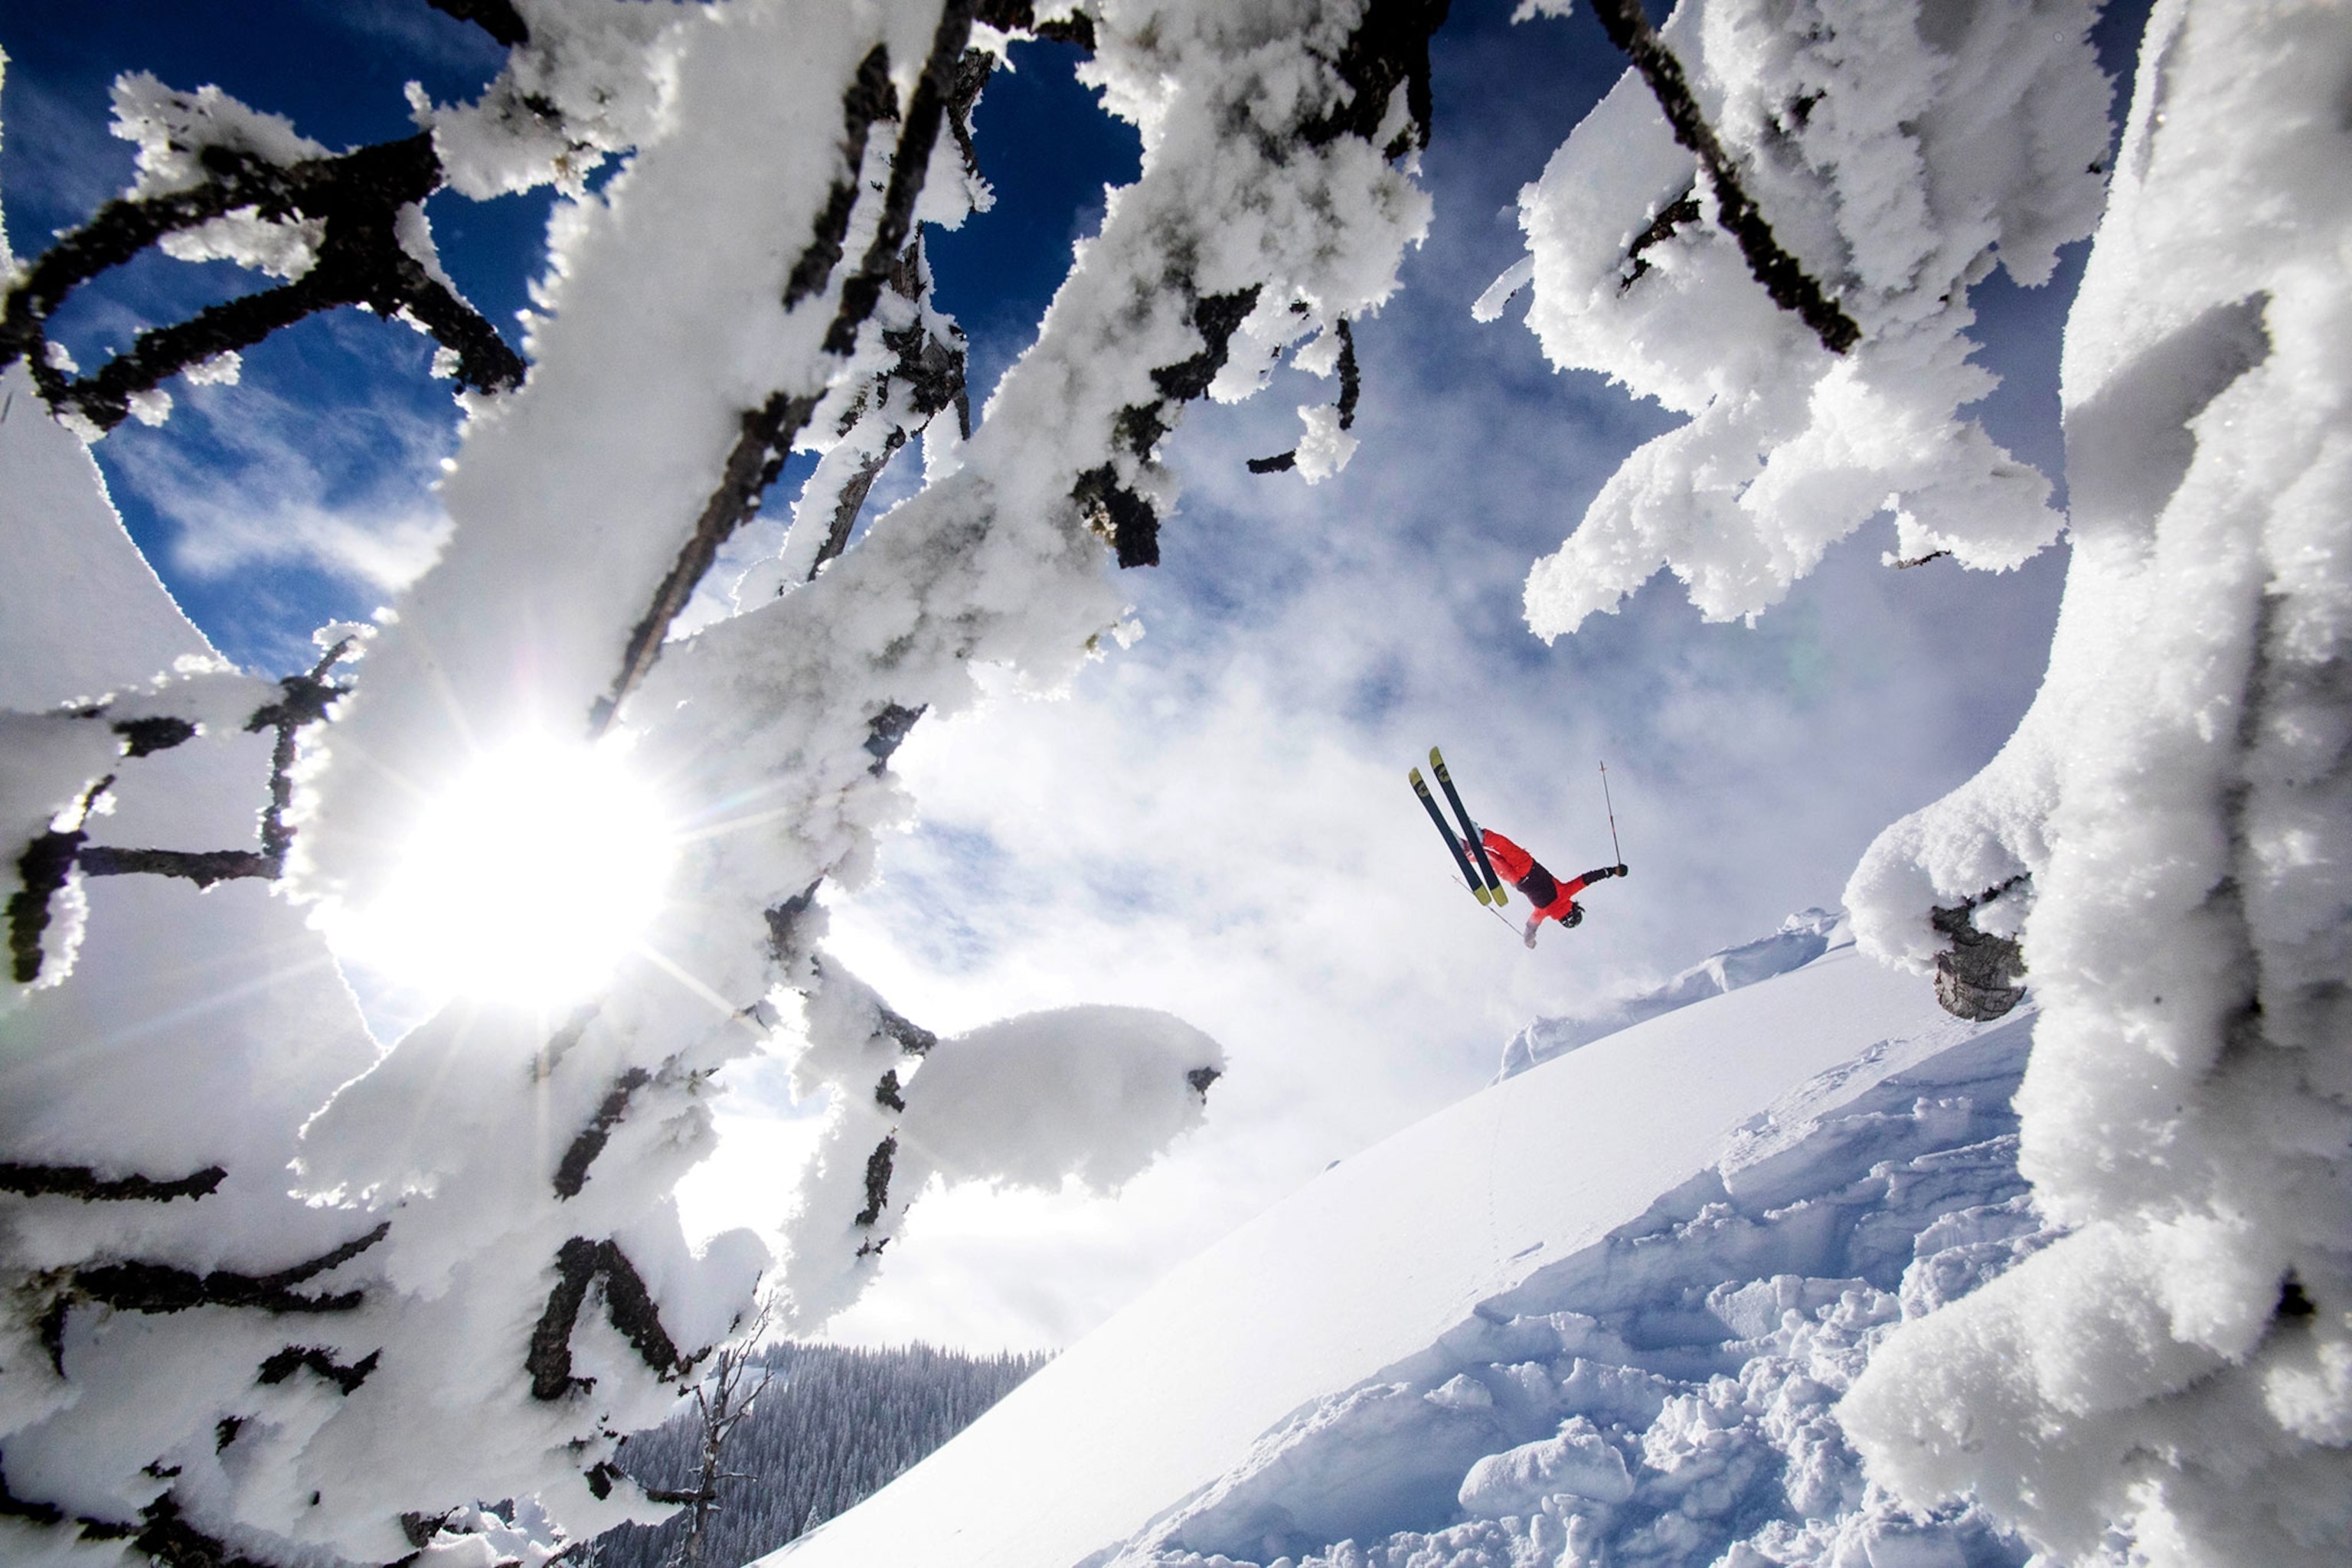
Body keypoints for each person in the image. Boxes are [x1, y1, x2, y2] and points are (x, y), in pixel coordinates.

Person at [1478, 829, 1627, 948]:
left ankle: (1481, 836)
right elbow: (1531, 927)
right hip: (1516, 881)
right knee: (1491, 860)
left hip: (1527, 867)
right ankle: (1468, 851)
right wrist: (1529, 940)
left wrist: (1612, 871)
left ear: (1575, 909)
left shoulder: (1566, 893)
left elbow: (1588, 878)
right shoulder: (1543, 913)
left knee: (1505, 847)